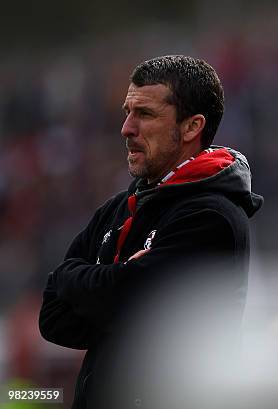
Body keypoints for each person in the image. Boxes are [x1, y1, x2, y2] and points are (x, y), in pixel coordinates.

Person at [38, 55, 263, 409]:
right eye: (127, 112)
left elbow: (139, 304)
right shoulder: (116, 209)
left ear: (192, 127)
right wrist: (113, 281)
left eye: (144, 114)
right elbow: (53, 319)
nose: (126, 128)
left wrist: (82, 281)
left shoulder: (212, 216)